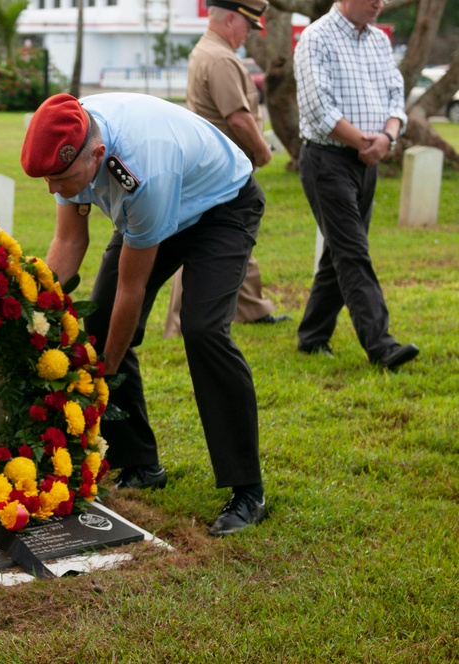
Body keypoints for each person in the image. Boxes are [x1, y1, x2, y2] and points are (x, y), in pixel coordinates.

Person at [21, 93, 268, 537]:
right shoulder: (71, 133)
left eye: (61, 179)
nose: (53, 189)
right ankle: (140, 463)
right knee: (96, 328)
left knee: (203, 330)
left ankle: (249, 491)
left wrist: (108, 367)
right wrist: (36, 311)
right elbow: (69, 244)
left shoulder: (142, 172)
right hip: (156, 212)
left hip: (221, 207)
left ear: (97, 155)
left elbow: (131, 291)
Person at [294, 0, 418, 369]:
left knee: (340, 251)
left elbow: (397, 96)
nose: (379, 2)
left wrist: (386, 138)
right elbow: (318, 107)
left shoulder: (379, 40)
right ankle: (381, 345)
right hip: (327, 160)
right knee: (352, 251)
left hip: (370, 158)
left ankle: (312, 337)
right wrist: (363, 141)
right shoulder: (316, 38)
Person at [163, 0, 288, 339]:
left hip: (214, 165)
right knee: (203, 240)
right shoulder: (219, 58)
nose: (248, 34)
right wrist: (263, 151)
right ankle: (178, 323)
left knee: (235, 235)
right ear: (231, 19)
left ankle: (252, 308)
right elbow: (237, 116)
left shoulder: (208, 51)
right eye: (248, 26)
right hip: (220, 167)